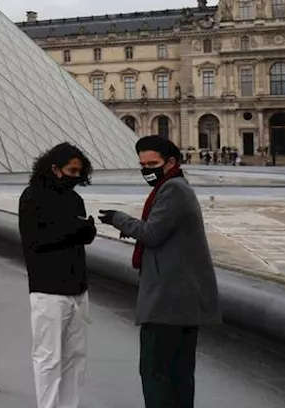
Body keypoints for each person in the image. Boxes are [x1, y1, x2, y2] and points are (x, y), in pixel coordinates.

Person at [97, 135, 219, 408]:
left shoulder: (172, 189)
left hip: (168, 300)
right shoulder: (175, 186)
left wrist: (119, 218)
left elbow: (152, 232)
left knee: (155, 371)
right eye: (142, 165)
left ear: (171, 162)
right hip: (181, 298)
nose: (146, 170)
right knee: (179, 372)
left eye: (152, 164)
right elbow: (164, 230)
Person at [18, 142, 98, 408]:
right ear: (55, 168)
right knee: (48, 358)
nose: (75, 177)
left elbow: (77, 235)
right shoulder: (32, 197)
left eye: (79, 172)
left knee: (76, 357)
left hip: (78, 287)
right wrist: (76, 231)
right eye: (71, 171)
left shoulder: (75, 198)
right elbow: (34, 241)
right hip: (47, 289)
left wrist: (85, 232)